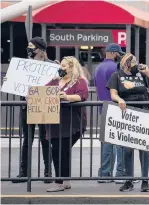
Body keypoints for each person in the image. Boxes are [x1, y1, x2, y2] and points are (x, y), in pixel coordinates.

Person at [107, 53, 149, 192]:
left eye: (136, 61)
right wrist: (119, 100)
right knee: (127, 149)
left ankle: (145, 181)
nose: (135, 64)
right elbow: (113, 93)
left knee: (144, 149)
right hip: (127, 114)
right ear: (125, 63)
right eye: (133, 62)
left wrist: (148, 73)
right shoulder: (117, 75)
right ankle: (128, 180)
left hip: (143, 113)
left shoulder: (141, 75)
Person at [43, 56, 89, 192]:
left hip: (72, 122)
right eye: (60, 66)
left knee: (61, 150)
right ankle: (65, 180)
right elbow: (44, 92)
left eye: (64, 66)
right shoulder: (55, 81)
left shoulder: (80, 81)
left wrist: (66, 97)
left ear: (71, 66)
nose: (61, 68)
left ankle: (60, 182)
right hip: (55, 122)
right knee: (59, 150)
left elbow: (82, 96)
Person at [12, 37, 54, 184]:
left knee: (45, 139)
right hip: (27, 107)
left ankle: (48, 173)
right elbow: (17, 84)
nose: (29, 50)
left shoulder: (52, 66)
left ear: (40, 49)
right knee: (27, 140)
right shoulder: (24, 65)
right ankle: (24, 173)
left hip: (44, 107)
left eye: (32, 47)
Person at [95, 43, 125, 183]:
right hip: (116, 107)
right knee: (119, 141)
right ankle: (121, 173)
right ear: (113, 53)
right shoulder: (116, 67)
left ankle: (105, 173)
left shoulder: (98, 67)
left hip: (103, 106)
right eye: (119, 53)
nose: (120, 55)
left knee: (107, 142)